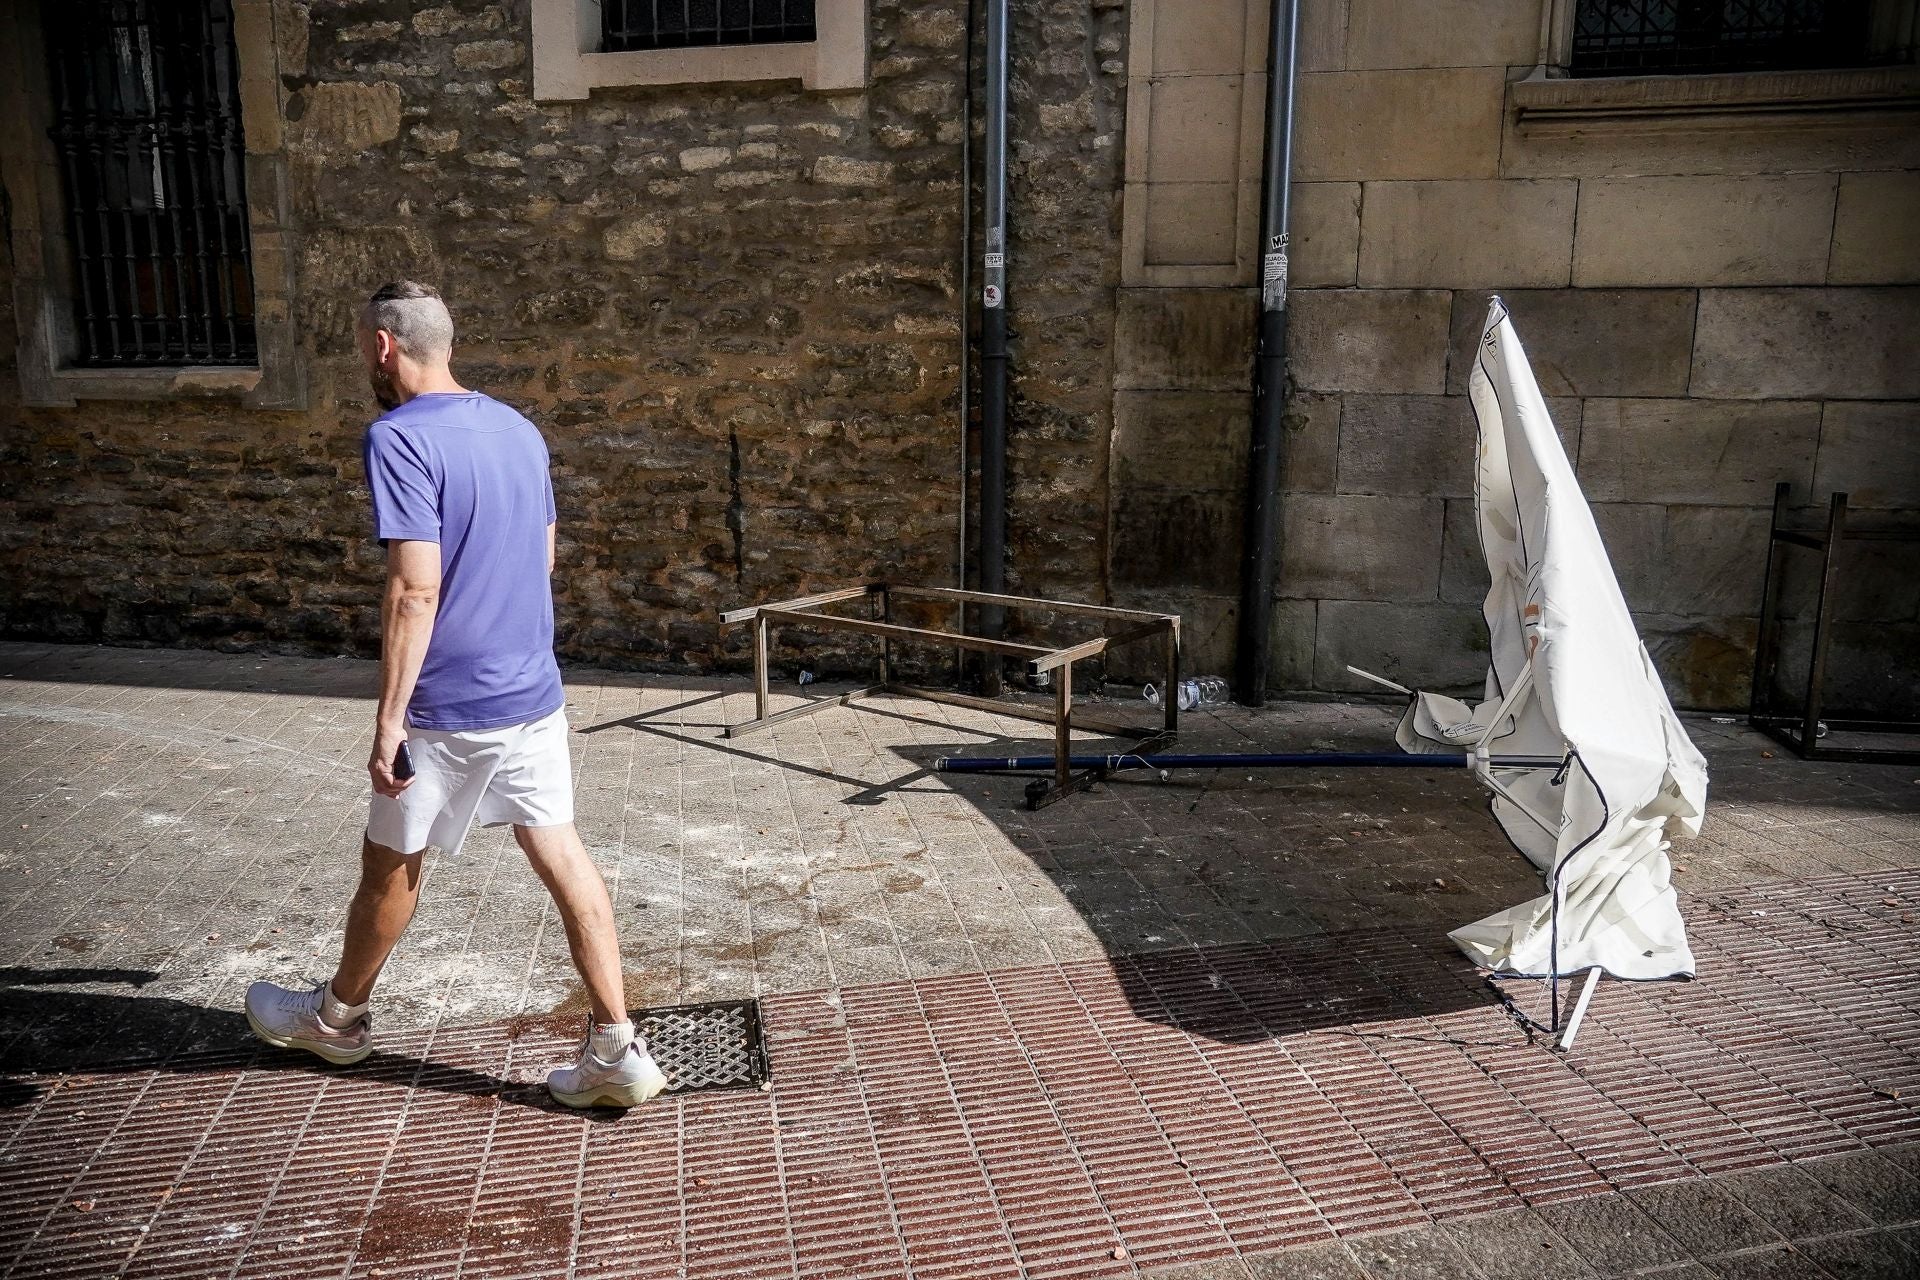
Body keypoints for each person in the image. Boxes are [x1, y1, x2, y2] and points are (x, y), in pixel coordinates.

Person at [243, 281, 665, 1109]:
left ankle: (336, 1022)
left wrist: (389, 719)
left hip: (445, 703)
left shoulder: (396, 438)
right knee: (563, 855)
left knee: (391, 866)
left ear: (381, 347)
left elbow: (413, 592)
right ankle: (616, 1045)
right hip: (532, 693)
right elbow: (542, 560)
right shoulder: (518, 428)